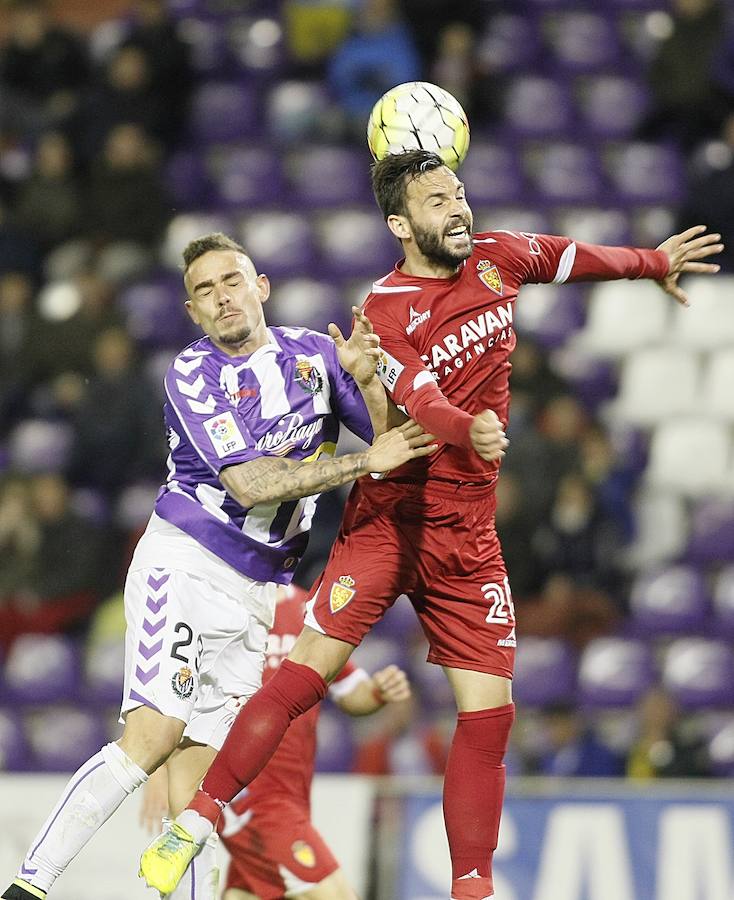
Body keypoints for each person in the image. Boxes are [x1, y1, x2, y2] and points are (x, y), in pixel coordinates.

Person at [139, 151, 723, 900]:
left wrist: (649, 261)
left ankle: (471, 890)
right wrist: (465, 427)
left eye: (459, 193)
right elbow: (418, 397)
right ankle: (199, 820)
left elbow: (570, 255)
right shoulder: (385, 305)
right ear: (400, 223)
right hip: (388, 525)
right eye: (438, 200)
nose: (458, 208)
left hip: (467, 541)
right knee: (301, 679)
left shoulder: (497, 259)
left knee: (490, 717)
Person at [1, 231, 435, 900]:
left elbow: (393, 446)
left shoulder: (317, 357)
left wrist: (370, 382)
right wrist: (356, 464)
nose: (221, 296)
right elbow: (251, 485)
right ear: (194, 312)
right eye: (205, 290)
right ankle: (30, 885)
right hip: (187, 565)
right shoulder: (193, 374)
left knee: (205, 788)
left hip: (260, 591)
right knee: (153, 736)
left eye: (231, 280)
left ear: (260, 287)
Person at [141, 584, 411, 899]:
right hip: (246, 798)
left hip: (291, 799)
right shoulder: (221, 606)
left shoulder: (308, 610)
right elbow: (179, 688)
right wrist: (159, 771)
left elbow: (348, 689)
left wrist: (377, 691)